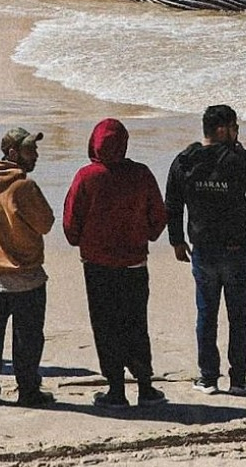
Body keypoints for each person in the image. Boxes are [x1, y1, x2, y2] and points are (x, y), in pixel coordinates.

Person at [63, 117, 168, 408]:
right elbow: (159, 217)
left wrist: (83, 242)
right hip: (134, 264)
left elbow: (71, 224)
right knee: (136, 324)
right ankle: (145, 387)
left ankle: (116, 389)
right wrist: (145, 235)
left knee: (106, 326)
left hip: (97, 266)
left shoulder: (86, 177)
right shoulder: (142, 174)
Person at [165, 103, 246, 396]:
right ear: (222, 130)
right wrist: (240, 153)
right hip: (234, 249)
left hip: (203, 249)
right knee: (238, 315)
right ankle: (238, 379)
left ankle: (208, 377)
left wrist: (176, 240)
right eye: (235, 127)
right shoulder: (235, 159)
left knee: (206, 314)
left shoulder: (184, 160)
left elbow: (172, 203)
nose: (237, 132)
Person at [0, 126, 56, 408]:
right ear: (13, 153)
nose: (36, 155)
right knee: (27, 339)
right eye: (31, 150)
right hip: (25, 276)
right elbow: (46, 223)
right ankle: (27, 389)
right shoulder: (23, 187)